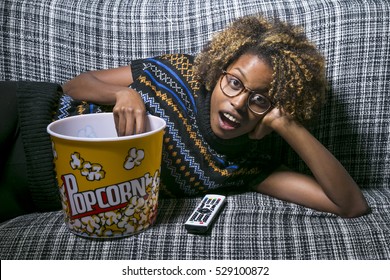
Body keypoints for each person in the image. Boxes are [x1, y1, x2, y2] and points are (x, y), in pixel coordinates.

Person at [1, 15, 369, 221]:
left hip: (40, 189)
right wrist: (122, 93)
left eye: (259, 99)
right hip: (24, 114)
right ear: (220, 71)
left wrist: (286, 124)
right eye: (234, 83)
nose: (238, 103)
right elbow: (74, 85)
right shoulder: (182, 69)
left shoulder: (248, 167)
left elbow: (350, 204)